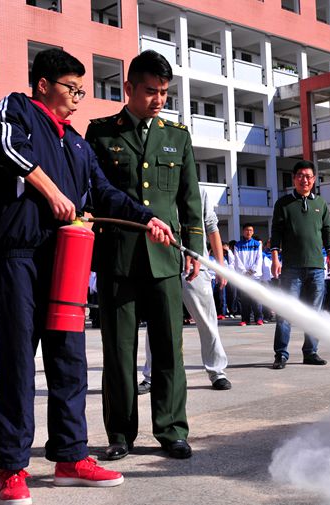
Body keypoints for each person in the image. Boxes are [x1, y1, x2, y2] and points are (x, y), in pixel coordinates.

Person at [0, 48, 172, 505]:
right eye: (72, 88)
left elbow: (103, 192)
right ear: (44, 84)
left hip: (66, 259)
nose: (79, 97)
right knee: (20, 364)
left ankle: (69, 456)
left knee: (69, 360)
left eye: (83, 90)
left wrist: (147, 219)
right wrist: (50, 191)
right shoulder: (17, 109)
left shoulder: (77, 142)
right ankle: (12, 468)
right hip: (21, 257)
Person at [85, 50, 203, 462]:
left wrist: (195, 250)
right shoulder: (100, 134)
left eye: (164, 93)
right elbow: (96, 193)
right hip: (118, 258)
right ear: (129, 88)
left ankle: (171, 429)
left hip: (166, 260)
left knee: (169, 347)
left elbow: (190, 200)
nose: (158, 99)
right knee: (119, 351)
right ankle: (120, 432)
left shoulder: (177, 136)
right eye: (151, 91)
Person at [140, 186, 232, 392]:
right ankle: (151, 375)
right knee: (157, 322)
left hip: (196, 268)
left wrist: (220, 266)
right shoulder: (158, 186)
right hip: (163, 264)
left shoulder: (199, 192)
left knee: (207, 321)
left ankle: (217, 372)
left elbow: (212, 227)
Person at [270, 160, 330, 369]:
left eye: (308, 176)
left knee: (313, 312)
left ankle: (311, 352)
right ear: (294, 178)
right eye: (300, 175)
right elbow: (276, 233)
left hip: (316, 266)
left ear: (314, 179)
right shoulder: (283, 203)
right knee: (286, 311)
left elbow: (328, 231)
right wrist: (275, 258)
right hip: (291, 267)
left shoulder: (321, 204)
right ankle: (281, 353)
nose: (304, 179)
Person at [234, 223, 264, 326]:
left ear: (253, 232)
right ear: (243, 231)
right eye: (247, 230)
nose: (248, 232)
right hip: (243, 277)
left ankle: (258, 318)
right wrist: (244, 272)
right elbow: (237, 260)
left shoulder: (257, 244)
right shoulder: (237, 245)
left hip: (255, 276)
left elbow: (259, 259)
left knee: (256, 298)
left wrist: (252, 271)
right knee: (245, 299)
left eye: (251, 230)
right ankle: (245, 319)